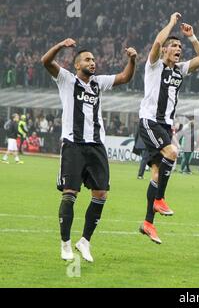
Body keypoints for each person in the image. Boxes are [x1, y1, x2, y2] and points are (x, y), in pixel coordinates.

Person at [41, 38, 137, 262]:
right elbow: (45, 61)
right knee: (70, 193)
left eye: (93, 59)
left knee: (101, 194)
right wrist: (60, 46)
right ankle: (65, 243)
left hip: (96, 146)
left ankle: (84, 241)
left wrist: (132, 60)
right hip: (73, 145)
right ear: (76, 65)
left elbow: (125, 77)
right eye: (87, 59)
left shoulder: (98, 83)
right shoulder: (66, 79)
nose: (92, 62)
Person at [138, 13, 199, 244]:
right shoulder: (154, 66)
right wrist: (170, 23)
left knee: (157, 174)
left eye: (180, 46)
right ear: (165, 50)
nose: (179, 48)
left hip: (166, 126)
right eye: (175, 45)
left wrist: (192, 37)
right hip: (150, 121)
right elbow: (157, 43)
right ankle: (159, 199)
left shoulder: (180, 69)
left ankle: (148, 223)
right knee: (173, 152)